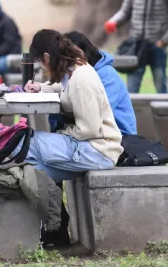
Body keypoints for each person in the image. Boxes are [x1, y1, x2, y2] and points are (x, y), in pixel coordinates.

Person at [23, 30, 123, 183]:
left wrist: (61, 134)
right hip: (91, 146)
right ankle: (53, 207)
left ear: (47, 57)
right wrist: (41, 87)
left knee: (22, 141)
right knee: (33, 169)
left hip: (98, 150)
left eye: (40, 63)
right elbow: (64, 87)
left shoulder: (80, 80)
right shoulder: (74, 68)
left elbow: (88, 129)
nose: (42, 68)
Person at [64, 31, 137, 136]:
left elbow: (97, 113)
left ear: (85, 52)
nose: (72, 60)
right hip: (98, 131)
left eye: (75, 55)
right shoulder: (78, 72)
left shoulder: (107, 75)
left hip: (120, 136)